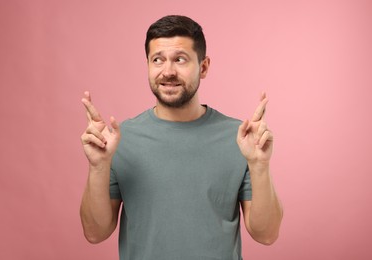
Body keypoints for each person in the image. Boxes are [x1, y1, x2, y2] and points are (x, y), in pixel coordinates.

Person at [80, 15, 283, 260]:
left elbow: (267, 234)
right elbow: (94, 233)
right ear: (147, 65)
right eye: (158, 60)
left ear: (204, 67)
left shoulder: (241, 138)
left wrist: (260, 166)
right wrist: (98, 166)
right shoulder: (118, 140)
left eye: (180, 59)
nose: (168, 71)